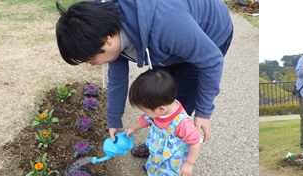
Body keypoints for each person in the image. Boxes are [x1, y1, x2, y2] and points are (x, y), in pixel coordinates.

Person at [55, 1, 233, 155]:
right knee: (160, 96)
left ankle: (171, 153)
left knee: (177, 103)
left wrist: (204, 111)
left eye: (91, 59)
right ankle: (157, 143)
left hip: (212, 32)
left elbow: (212, 61)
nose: (92, 65)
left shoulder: (165, 25)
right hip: (174, 38)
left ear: (107, 39)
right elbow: (117, 80)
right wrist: (114, 120)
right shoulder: (109, 29)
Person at [121, 69, 201, 176]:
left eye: (145, 110)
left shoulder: (182, 123)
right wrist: (133, 128)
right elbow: (145, 120)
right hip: (158, 149)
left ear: (161, 109)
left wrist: (189, 163)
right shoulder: (158, 108)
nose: (144, 113)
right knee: (153, 163)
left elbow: (195, 142)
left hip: (172, 159)